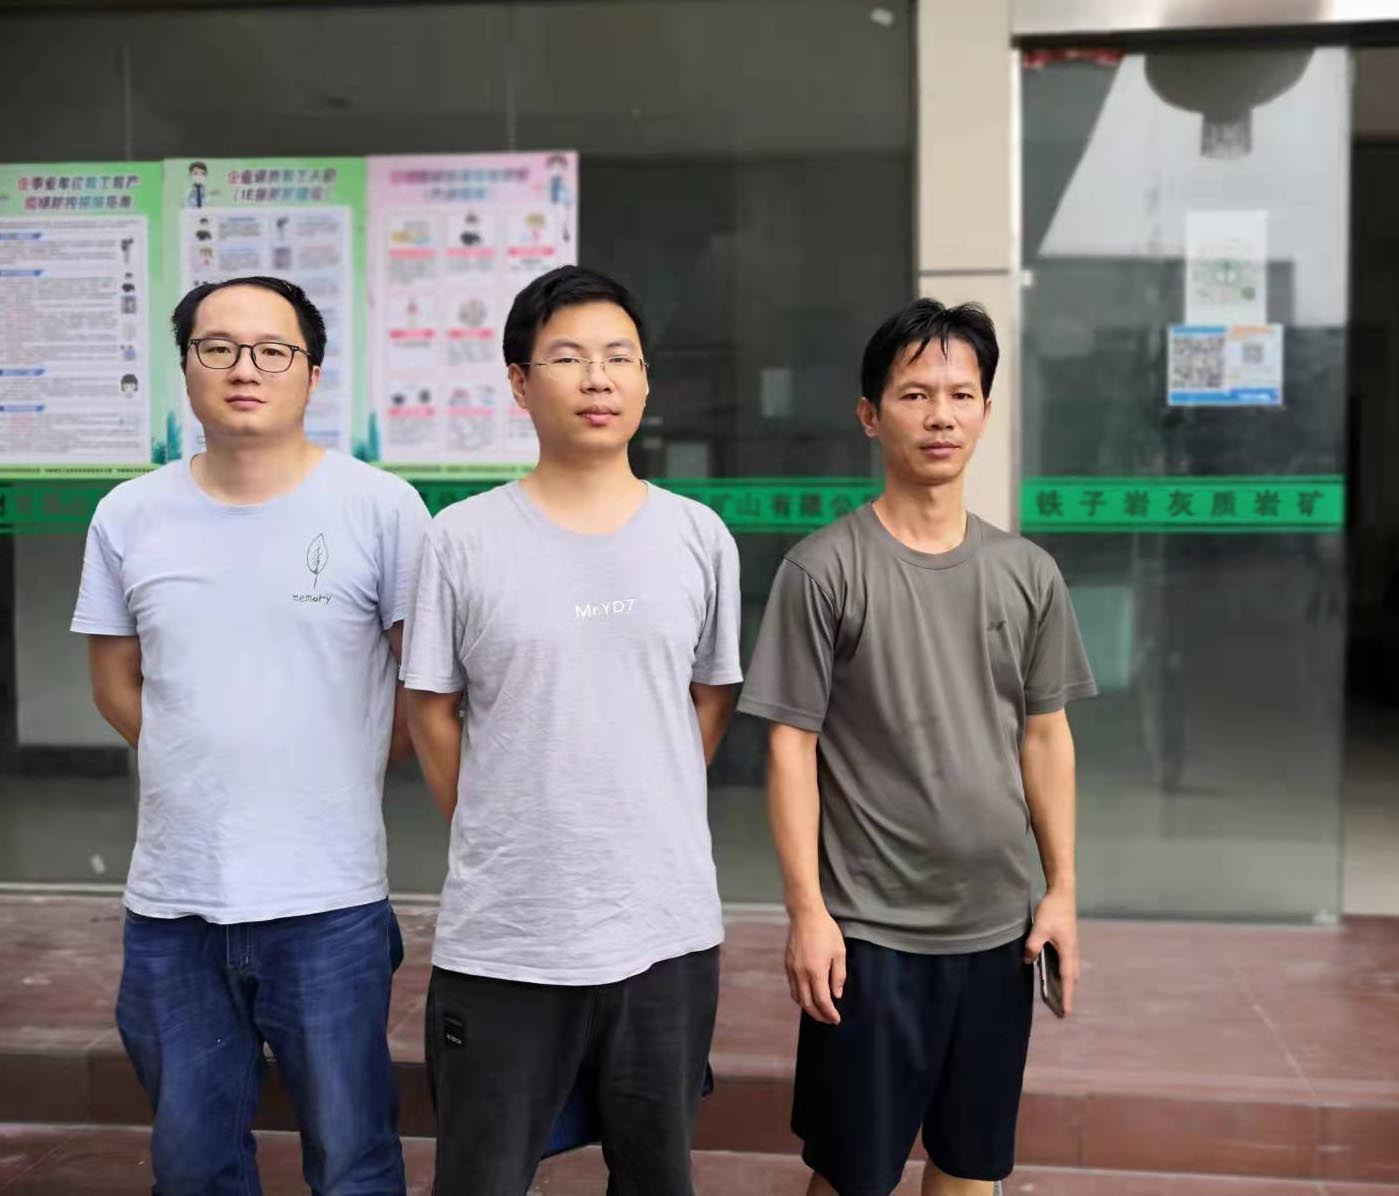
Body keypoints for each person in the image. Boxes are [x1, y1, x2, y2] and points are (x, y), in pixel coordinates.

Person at [72, 275, 430, 1196]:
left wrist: (339, 768)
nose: (244, 369)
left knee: (353, 1160)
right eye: (217, 348)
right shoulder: (128, 514)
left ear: (312, 372)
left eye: (273, 350)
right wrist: (196, 757)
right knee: (192, 1166)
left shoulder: (382, 508)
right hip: (175, 905)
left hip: (329, 902)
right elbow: (114, 682)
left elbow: (421, 687)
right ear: (186, 366)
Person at [739, 299, 1097, 1196]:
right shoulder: (823, 569)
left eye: (960, 394)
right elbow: (790, 751)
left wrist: (1059, 892)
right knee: (853, 1175)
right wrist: (807, 913)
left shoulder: (1027, 573)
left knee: (968, 1168)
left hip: (998, 932)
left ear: (984, 411)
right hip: (869, 935)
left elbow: (1045, 738)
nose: (940, 415)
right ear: (870, 415)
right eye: (914, 394)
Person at [402, 264, 740, 1195]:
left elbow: (711, 693)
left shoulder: (697, 536)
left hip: (665, 925)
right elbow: (428, 705)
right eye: (568, 358)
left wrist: (646, 797)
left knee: (657, 1176)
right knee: (481, 1176)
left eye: (619, 357)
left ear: (644, 381)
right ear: (519, 382)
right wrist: (497, 817)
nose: (597, 379)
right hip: (508, 932)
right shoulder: (461, 538)